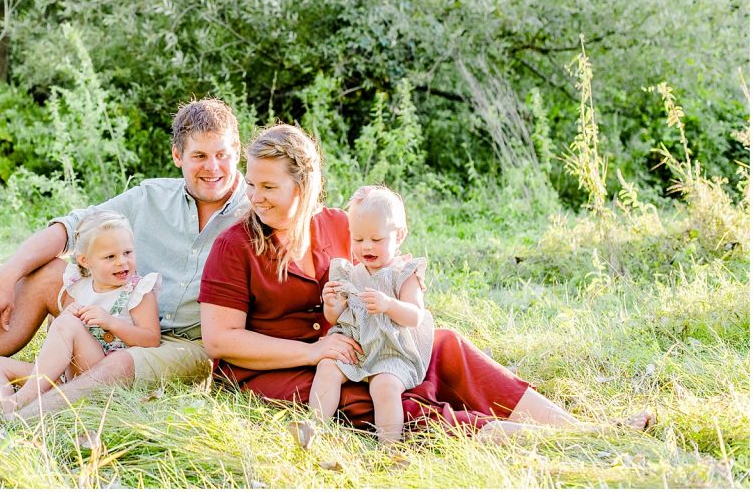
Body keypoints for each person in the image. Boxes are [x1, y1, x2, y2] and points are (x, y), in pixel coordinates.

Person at [199, 123, 608, 443]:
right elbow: (220, 341)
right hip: (280, 369)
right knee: (383, 399)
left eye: (269, 186)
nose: (255, 196)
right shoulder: (235, 245)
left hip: (361, 346)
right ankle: (549, 441)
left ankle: (578, 427)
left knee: (444, 344)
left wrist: (400, 293)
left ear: (303, 188)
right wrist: (315, 351)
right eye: (251, 184)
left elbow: (388, 264)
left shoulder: (341, 226)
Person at [0, 98, 248, 420]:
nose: (212, 168)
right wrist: (6, 274)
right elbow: (72, 227)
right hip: (115, 317)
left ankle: (12, 418)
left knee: (118, 366)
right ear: (177, 156)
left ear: (238, 153)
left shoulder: (256, 210)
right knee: (47, 273)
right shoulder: (150, 197)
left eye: (222, 155)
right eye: (199, 156)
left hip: (184, 344)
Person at [0, 211, 161, 428]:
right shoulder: (79, 286)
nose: (122, 262)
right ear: (85, 261)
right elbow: (58, 335)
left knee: (67, 322)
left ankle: (18, 401)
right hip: (64, 376)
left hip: (100, 372)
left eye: (127, 252)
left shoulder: (137, 291)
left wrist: (111, 322)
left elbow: (152, 339)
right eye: (110, 257)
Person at [301, 185, 433, 446]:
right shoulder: (350, 273)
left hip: (390, 350)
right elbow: (337, 317)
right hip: (356, 346)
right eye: (359, 239)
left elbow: (415, 316)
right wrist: (331, 304)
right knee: (327, 367)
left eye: (376, 239)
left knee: (385, 386)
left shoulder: (404, 273)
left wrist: (388, 305)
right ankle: (313, 429)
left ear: (400, 235)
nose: (366, 246)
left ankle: (389, 446)